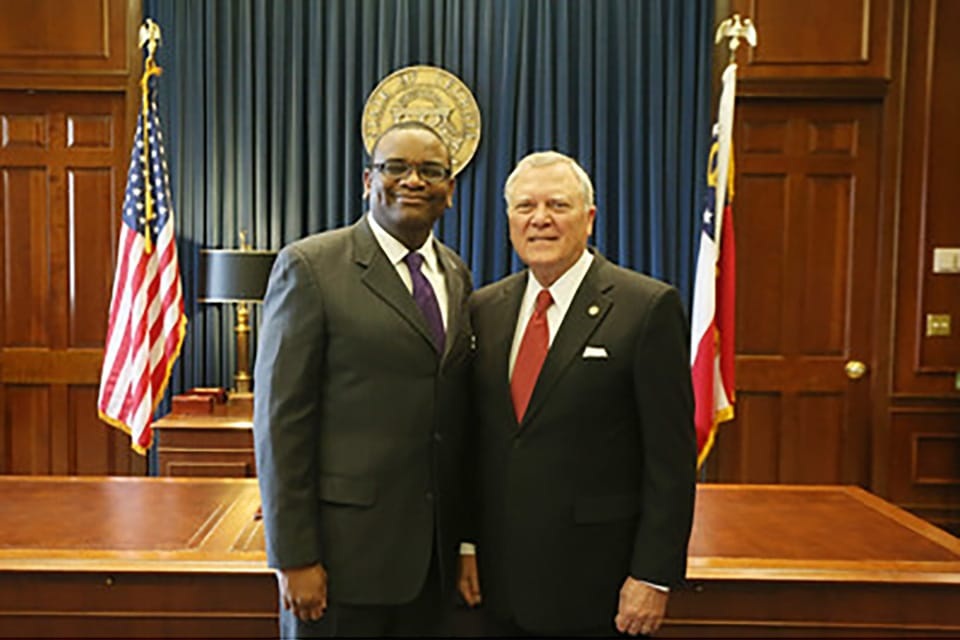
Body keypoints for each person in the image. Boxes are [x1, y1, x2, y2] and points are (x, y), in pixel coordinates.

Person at [458, 151, 697, 637]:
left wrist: (653, 574)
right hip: (495, 585)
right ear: (509, 221)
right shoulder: (484, 307)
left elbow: (670, 460)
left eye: (557, 205)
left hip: (597, 585)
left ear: (589, 219)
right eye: (525, 206)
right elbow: (473, 443)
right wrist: (465, 544)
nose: (540, 219)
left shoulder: (646, 307)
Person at [254, 121, 474, 638]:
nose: (413, 181)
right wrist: (293, 556)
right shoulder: (311, 268)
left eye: (431, 171)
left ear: (450, 190)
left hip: (431, 567)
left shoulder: (456, 273)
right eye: (396, 167)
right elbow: (281, 423)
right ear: (367, 180)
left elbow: (454, 420)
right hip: (339, 564)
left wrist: (464, 540)